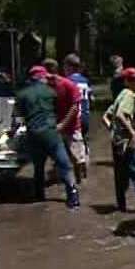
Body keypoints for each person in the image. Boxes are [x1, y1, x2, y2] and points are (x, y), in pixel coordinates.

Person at [14, 66, 80, 209]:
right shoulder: (51, 92)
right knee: (64, 163)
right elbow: (58, 110)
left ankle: (39, 194)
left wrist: (12, 132)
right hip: (51, 133)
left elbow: (18, 119)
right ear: (42, 77)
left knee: (39, 165)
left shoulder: (21, 94)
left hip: (33, 134)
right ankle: (73, 195)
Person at [102, 67, 135, 213]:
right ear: (127, 82)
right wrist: (132, 134)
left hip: (117, 141)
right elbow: (120, 115)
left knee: (121, 175)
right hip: (127, 141)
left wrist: (113, 130)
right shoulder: (129, 95)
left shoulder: (122, 94)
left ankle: (121, 205)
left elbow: (105, 116)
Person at [42, 58, 85, 185]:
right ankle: (60, 178)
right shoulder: (44, 86)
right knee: (56, 155)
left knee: (75, 157)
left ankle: (78, 179)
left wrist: (63, 124)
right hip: (54, 126)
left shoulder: (68, 84)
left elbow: (75, 107)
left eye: (50, 72)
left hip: (71, 126)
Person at [64, 54, 93, 179]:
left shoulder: (68, 81)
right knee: (83, 140)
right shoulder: (85, 80)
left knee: (72, 142)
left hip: (75, 116)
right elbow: (91, 97)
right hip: (86, 115)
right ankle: (85, 159)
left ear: (69, 67)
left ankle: (78, 164)